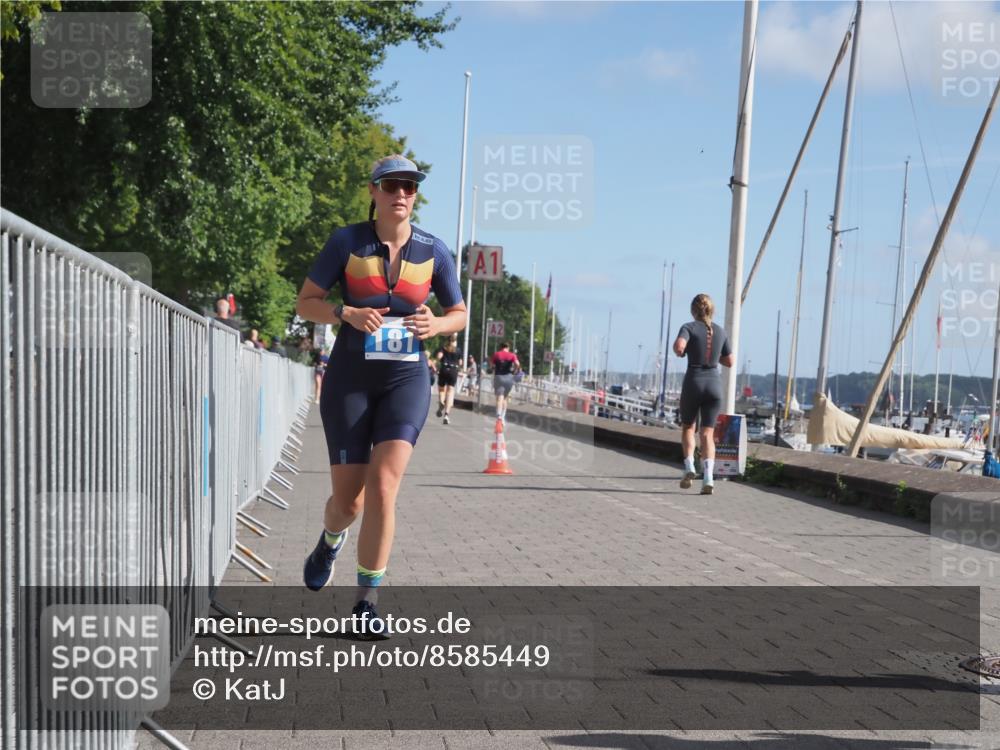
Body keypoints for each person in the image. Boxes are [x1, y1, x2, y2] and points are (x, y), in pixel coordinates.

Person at [295, 154, 467, 638]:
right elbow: (305, 302)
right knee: (349, 502)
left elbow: (459, 312)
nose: (401, 194)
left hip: (405, 379)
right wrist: (343, 313)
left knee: (385, 487)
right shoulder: (346, 241)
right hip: (350, 377)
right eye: (391, 185)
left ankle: (366, 601)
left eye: (410, 187)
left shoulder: (434, 250)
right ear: (373, 191)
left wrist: (437, 323)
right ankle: (330, 540)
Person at [673, 293, 734, 495]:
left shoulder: (689, 327)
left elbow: (679, 346)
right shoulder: (720, 331)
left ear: (693, 310)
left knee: (688, 427)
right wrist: (715, 356)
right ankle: (708, 477)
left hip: (694, 382)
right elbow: (730, 361)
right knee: (707, 434)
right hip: (714, 385)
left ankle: (689, 466)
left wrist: (681, 351)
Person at [491, 342, 520, 423]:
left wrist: (495, 369)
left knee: (499, 397)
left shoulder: (496, 354)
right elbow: (517, 364)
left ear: (501, 347)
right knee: (505, 397)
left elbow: (492, 366)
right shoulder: (512, 355)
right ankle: (503, 416)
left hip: (499, 377)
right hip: (509, 378)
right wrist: (515, 371)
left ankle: (498, 416)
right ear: (508, 348)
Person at [435, 334, 461, 424]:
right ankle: (446, 415)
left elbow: (439, 357)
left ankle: (441, 402)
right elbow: (460, 362)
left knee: (441, 389)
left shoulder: (444, 348)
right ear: (455, 340)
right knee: (450, 392)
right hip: (453, 371)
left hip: (444, 369)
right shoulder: (458, 350)